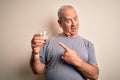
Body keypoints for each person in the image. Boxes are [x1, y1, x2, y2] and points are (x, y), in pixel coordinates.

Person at [30, 5, 99, 80]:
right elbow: (37, 71)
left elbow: (94, 76)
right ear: (60, 23)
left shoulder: (88, 45)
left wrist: (77, 61)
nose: (74, 24)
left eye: (75, 18)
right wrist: (35, 53)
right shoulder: (48, 42)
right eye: (68, 21)